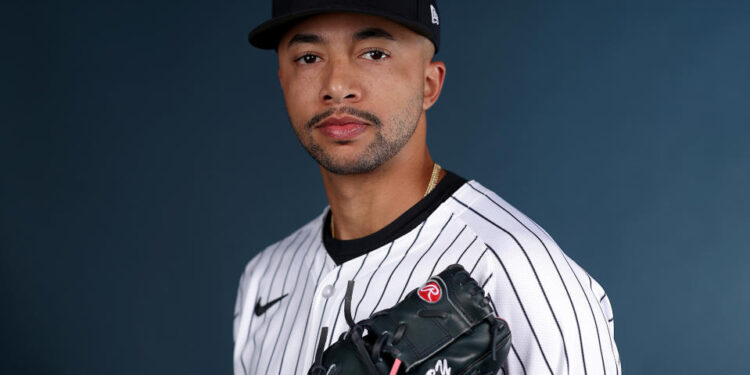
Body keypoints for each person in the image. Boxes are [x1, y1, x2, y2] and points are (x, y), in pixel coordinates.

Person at [233, 1, 620, 374]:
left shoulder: (515, 270)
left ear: (429, 84)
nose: (336, 86)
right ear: (282, 79)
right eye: (309, 58)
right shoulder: (264, 279)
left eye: (373, 53)